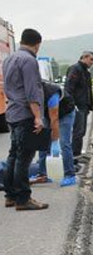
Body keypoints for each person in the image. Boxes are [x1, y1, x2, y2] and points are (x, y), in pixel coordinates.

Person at [1, 29, 48, 210]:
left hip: (12, 113)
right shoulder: (29, 61)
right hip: (25, 114)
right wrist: (37, 117)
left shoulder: (10, 59)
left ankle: (10, 195)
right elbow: (31, 92)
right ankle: (23, 199)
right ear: (37, 44)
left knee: (13, 155)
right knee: (24, 157)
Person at [32, 81, 77, 186]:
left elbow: (54, 119)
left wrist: (55, 141)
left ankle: (70, 175)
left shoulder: (51, 92)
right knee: (42, 142)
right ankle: (42, 174)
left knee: (64, 143)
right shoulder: (30, 91)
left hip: (65, 114)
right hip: (48, 114)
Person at [65, 51, 93, 159]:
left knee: (81, 132)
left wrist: (90, 106)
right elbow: (69, 89)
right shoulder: (75, 69)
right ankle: (74, 158)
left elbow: (88, 91)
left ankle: (76, 156)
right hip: (78, 106)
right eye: (91, 59)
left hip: (84, 107)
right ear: (84, 57)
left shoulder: (86, 72)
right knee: (78, 133)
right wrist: (73, 105)